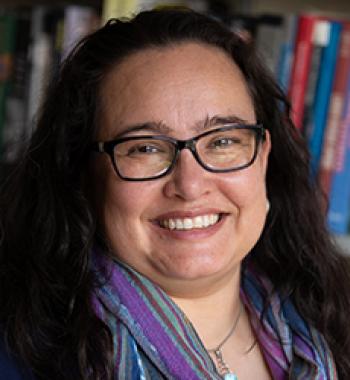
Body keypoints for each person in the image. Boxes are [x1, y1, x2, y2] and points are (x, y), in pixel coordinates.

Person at [0, 8, 349, 380]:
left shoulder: (332, 322)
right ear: (85, 175)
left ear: (264, 157)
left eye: (223, 141)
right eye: (145, 148)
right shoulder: (19, 357)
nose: (190, 185)